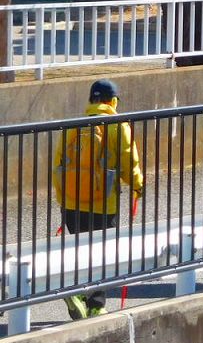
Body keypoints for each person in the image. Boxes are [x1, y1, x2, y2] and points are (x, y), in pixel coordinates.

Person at [52, 79, 144, 319]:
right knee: (102, 254)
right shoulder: (117, 124)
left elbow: (58, 164)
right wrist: (137, 186)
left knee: (81, 250)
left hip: (72, 203)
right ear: (113, 101)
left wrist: (64, 199)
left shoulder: (74, 124)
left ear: (91, 100)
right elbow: (128, 161)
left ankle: (77, 291)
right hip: (104, 204)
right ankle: (95, 306)